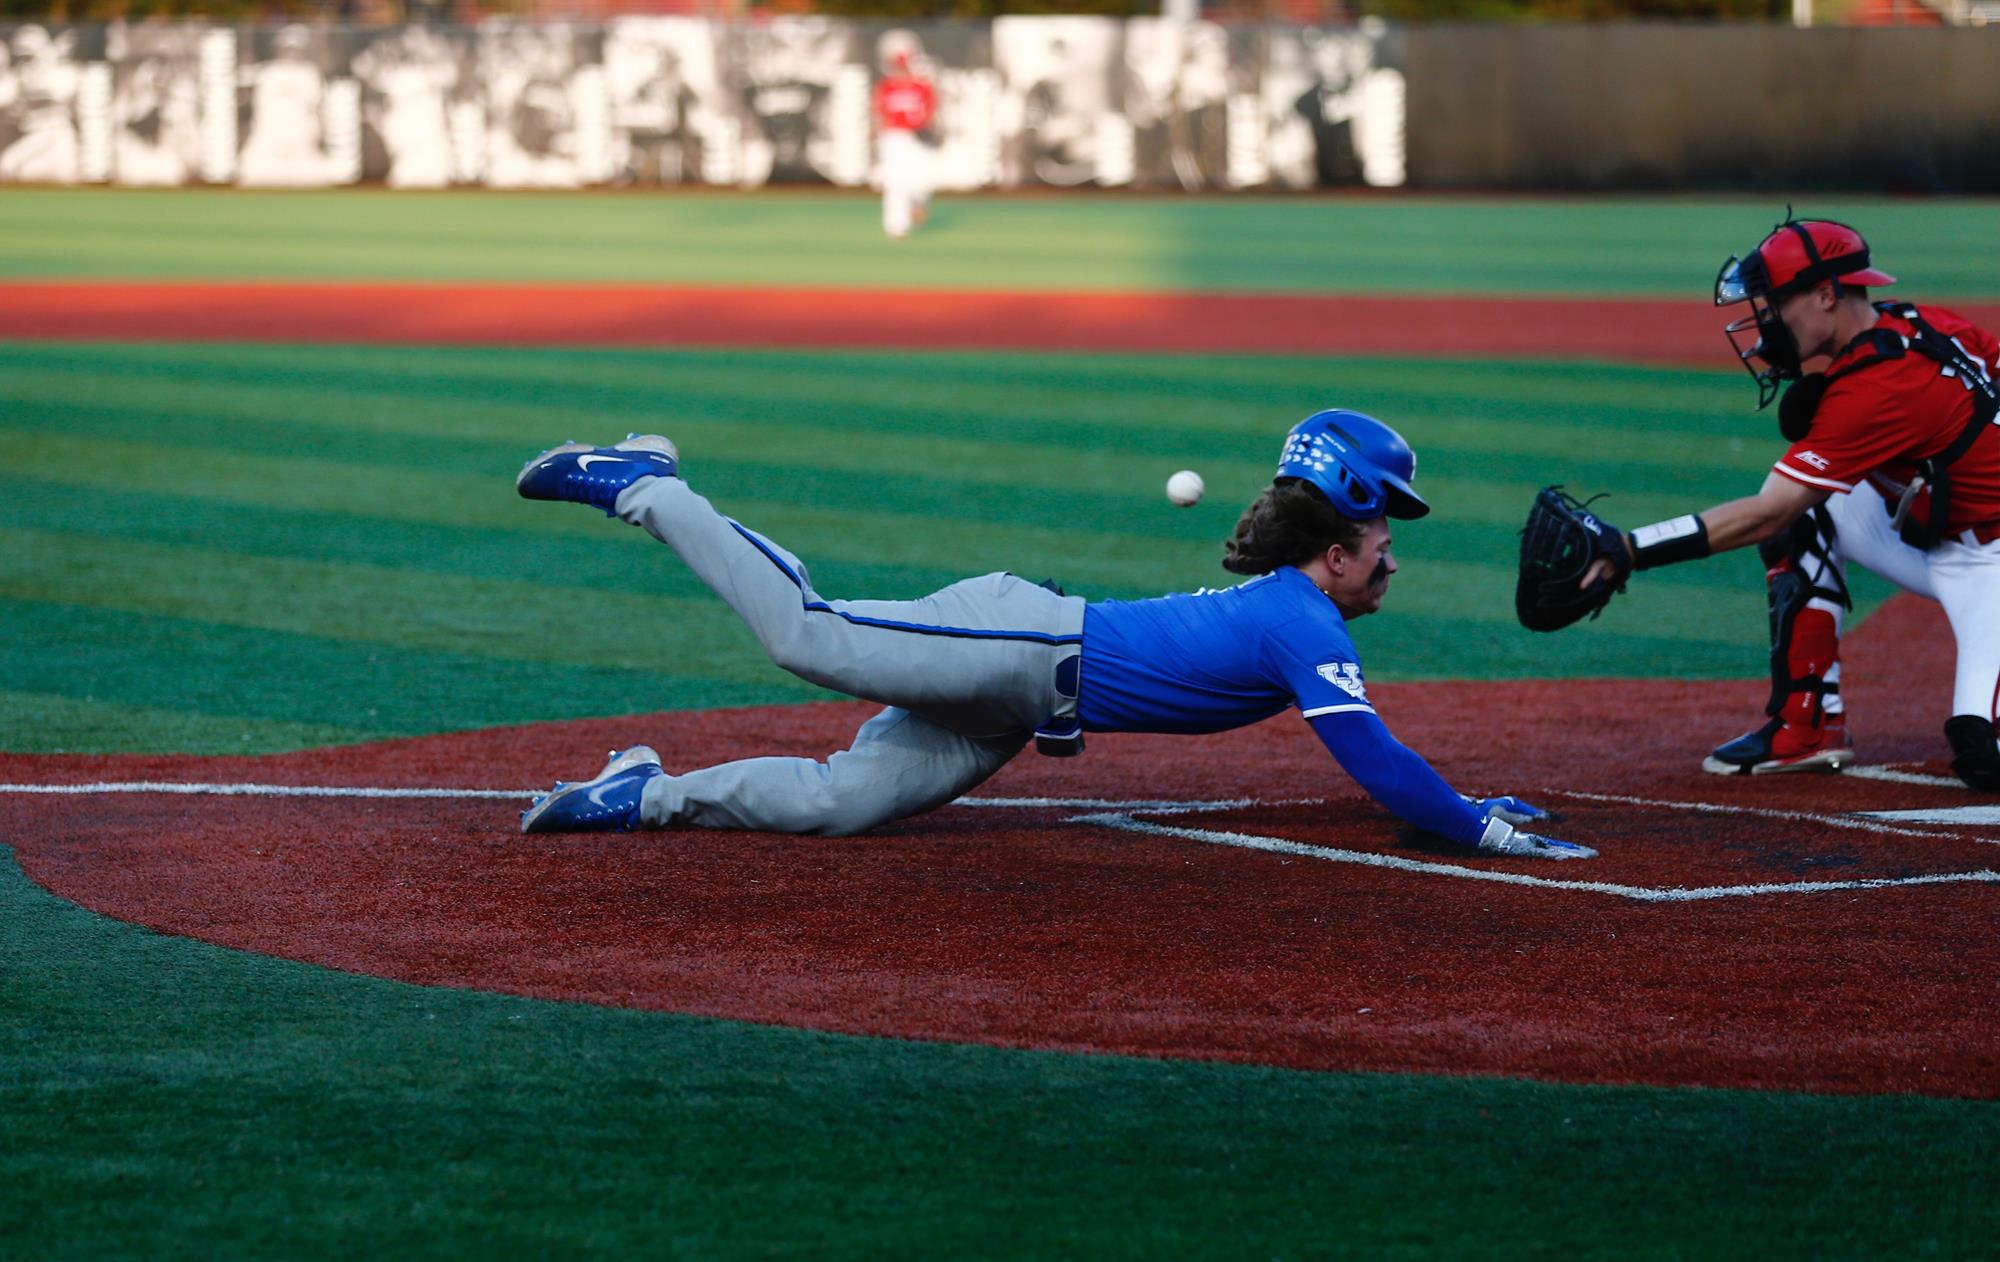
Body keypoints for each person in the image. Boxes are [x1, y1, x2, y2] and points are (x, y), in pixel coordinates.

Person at [512, 412, 1595, 860]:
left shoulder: (1293, 607)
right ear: (1337, 542)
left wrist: (1461, 805)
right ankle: (647, 485)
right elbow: (1375, 760)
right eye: (1379, 533)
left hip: (1022, 698)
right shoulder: (1296, 620)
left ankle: (642, 789)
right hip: (1016, 640)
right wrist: (1476, 829)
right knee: (811, 634)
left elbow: (1387, 760)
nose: (1391, 555)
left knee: (844, 802)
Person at [1577, 215, 2000, 789]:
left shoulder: (1876, 387)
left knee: (1983, 752)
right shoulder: (1920, 321)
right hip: (1944, 540)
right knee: (1810, 513)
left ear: (1826, 295)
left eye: (1775, 303)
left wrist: (1630, 548)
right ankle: (1808, 725)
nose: (1766, 321)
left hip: (1991, 569)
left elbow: (1767, 510)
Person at [872, 37, 934, 239]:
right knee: (896, 182)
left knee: (923, 179)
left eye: (903, 66)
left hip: (918, 137)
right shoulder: (886, 87)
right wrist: (874, 132)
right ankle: (896, 226)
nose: (901, 70)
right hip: (893, 137)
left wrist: (928, 129)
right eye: (897, 66)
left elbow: (932, 112)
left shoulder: (922, 87)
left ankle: (917, 202)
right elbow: (877, 113)